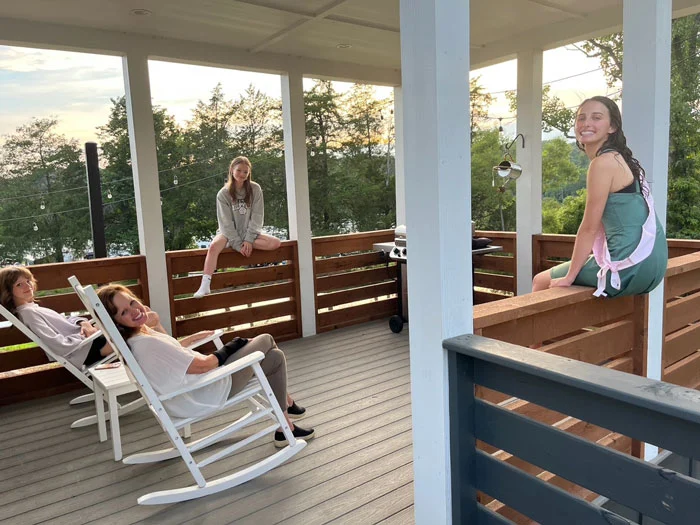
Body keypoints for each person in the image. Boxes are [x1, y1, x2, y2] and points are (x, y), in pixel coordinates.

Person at [96, 284, 314, 448]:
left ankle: (285, 426)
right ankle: (287, 407)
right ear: (116, 323)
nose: (134, 310)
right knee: (266, 340)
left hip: (198, 388)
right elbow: (204, 365)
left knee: (274, 358)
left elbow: (170, 353)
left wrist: (186, 337)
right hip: (206, 390)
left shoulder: (139, 338)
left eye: (132, 302)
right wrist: (233, 344)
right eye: (124, 312)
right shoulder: (146, 344)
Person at [532, 96, 668, 297]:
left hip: (630, 265)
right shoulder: (620, 159)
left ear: (612, 127)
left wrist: (569, 277)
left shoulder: (602, 163)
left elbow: (589, 228)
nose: (586, 123)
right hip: (652, 263)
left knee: (541, 281)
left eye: (596, 118)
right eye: (581, 118)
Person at [194, 156, 281, 298]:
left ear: (249, 173)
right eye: (239, 170)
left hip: (249, 232)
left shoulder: (255, 189)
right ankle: (205, 285)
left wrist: (247, 240)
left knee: (275, 243)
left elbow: (257, 216)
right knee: (214, 246)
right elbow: (225, 223)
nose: (242, 174)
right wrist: (237, 244)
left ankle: (242, 244)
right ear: (231, 170)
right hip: (228, 234)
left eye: (245, 172)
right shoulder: (223, 194)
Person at [0, 266, 115, 369]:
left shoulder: (32, 308)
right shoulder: (28, 314)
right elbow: (58, 345)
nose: (27, 286)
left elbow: (65, 320)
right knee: (126, 330)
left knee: (123, 324)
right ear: (8, 291)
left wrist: (83, 323)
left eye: (28, 280)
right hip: (86, 350)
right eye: (19, 284)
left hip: (88, 344)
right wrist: (84, 335)